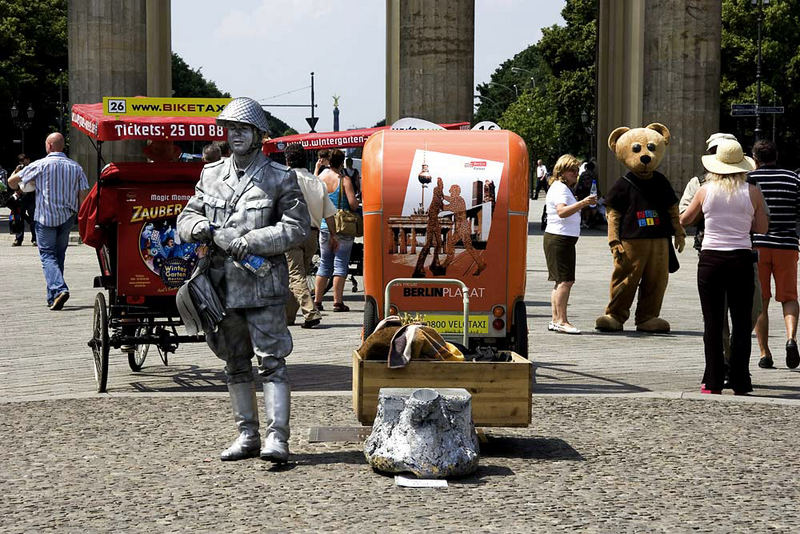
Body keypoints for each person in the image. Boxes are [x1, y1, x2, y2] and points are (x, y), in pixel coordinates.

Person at [176, 97, 310, 463]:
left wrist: (250, 241)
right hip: (220, 285)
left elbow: (297, 229)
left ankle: (277, 437)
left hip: (262, 282)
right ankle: (247, 434)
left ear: (259, 135)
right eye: (230, 128)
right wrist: (199, 227)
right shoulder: (210, 174)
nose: (235, 134)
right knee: (234, 362)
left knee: (272, 362)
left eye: (243, 129)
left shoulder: (280, 177)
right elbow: (186, 218)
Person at [680, 139, 768, 394]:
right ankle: (741, 381)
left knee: (713, 322)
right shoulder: (752, 192)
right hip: (740, 259)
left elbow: (684, 219)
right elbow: (762, 228)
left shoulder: (705, 190)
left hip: (711, 259)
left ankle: (713, 380)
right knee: (741, 323)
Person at [8, 134, 89, 310]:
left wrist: (17, 172)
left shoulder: (40, 164)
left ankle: (59, 289)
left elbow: (12, 183)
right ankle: (53, 297)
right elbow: (82, 197)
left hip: (45, 218)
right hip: (67, 218)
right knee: (58, 256)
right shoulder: (76, 168)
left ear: (49, 146)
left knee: (47, 256)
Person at [747, 139, 800, 370]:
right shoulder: (793, 178)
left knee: (762, 301)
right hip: (787, 245)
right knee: (789, 297)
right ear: (776, 156)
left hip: (759, 245)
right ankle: (791, 339)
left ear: (755, 159)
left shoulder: (751, 180)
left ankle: (765, 353)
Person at [283, 143, 338, 328]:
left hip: (292, 232)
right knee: (299, 275)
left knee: (295, 275)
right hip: (312, 235)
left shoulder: (285, 179)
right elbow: (329, 213)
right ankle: (288, 317)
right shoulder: (317, 182)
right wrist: (333, 235)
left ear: (287, 160)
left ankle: (310, 312)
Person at [542, 154, 597, 334]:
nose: (575, 173)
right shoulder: (560, 189)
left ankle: (555, 319)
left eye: (576, 170)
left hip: (561, 238)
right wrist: (583, 203)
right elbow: (562, 212)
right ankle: (561, 320)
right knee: (566, 280)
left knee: (560, 281)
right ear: (562, 171)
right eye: (572, 170)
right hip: (560, 238)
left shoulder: (562, 187)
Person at [314, 149, 357, 312]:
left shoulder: (321, 178)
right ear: (342, 162)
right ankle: (338, 302)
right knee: (341, 263)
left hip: (324, 225)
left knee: (324, 263)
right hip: (342, 226)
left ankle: (317, 301)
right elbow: (353, 204)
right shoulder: (344, 180)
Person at [441, 183, 487, 275]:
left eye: (452, 192)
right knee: (457, 245)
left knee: (465, 247)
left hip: (462, 227)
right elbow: (448, 201)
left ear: (456, 192)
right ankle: (445, 266)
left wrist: (440, 199)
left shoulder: (459, 200)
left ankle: (445, 266)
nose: (450, 194)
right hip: (461, 227)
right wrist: (441, 197)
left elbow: (446, 207)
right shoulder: (456, 199)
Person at [10, 154, 36, 246]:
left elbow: (34, 181)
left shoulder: (33, 168)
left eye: (24, 160)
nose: (22, 163)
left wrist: (25, 174)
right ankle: (18, 239)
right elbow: (11, 180)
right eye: (20, 161)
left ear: (28, 160)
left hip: (31, 195)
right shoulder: (18, 170)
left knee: (33, 218)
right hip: (21, 196)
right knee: (18, 218)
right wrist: (16, 171)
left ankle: (35, 239)